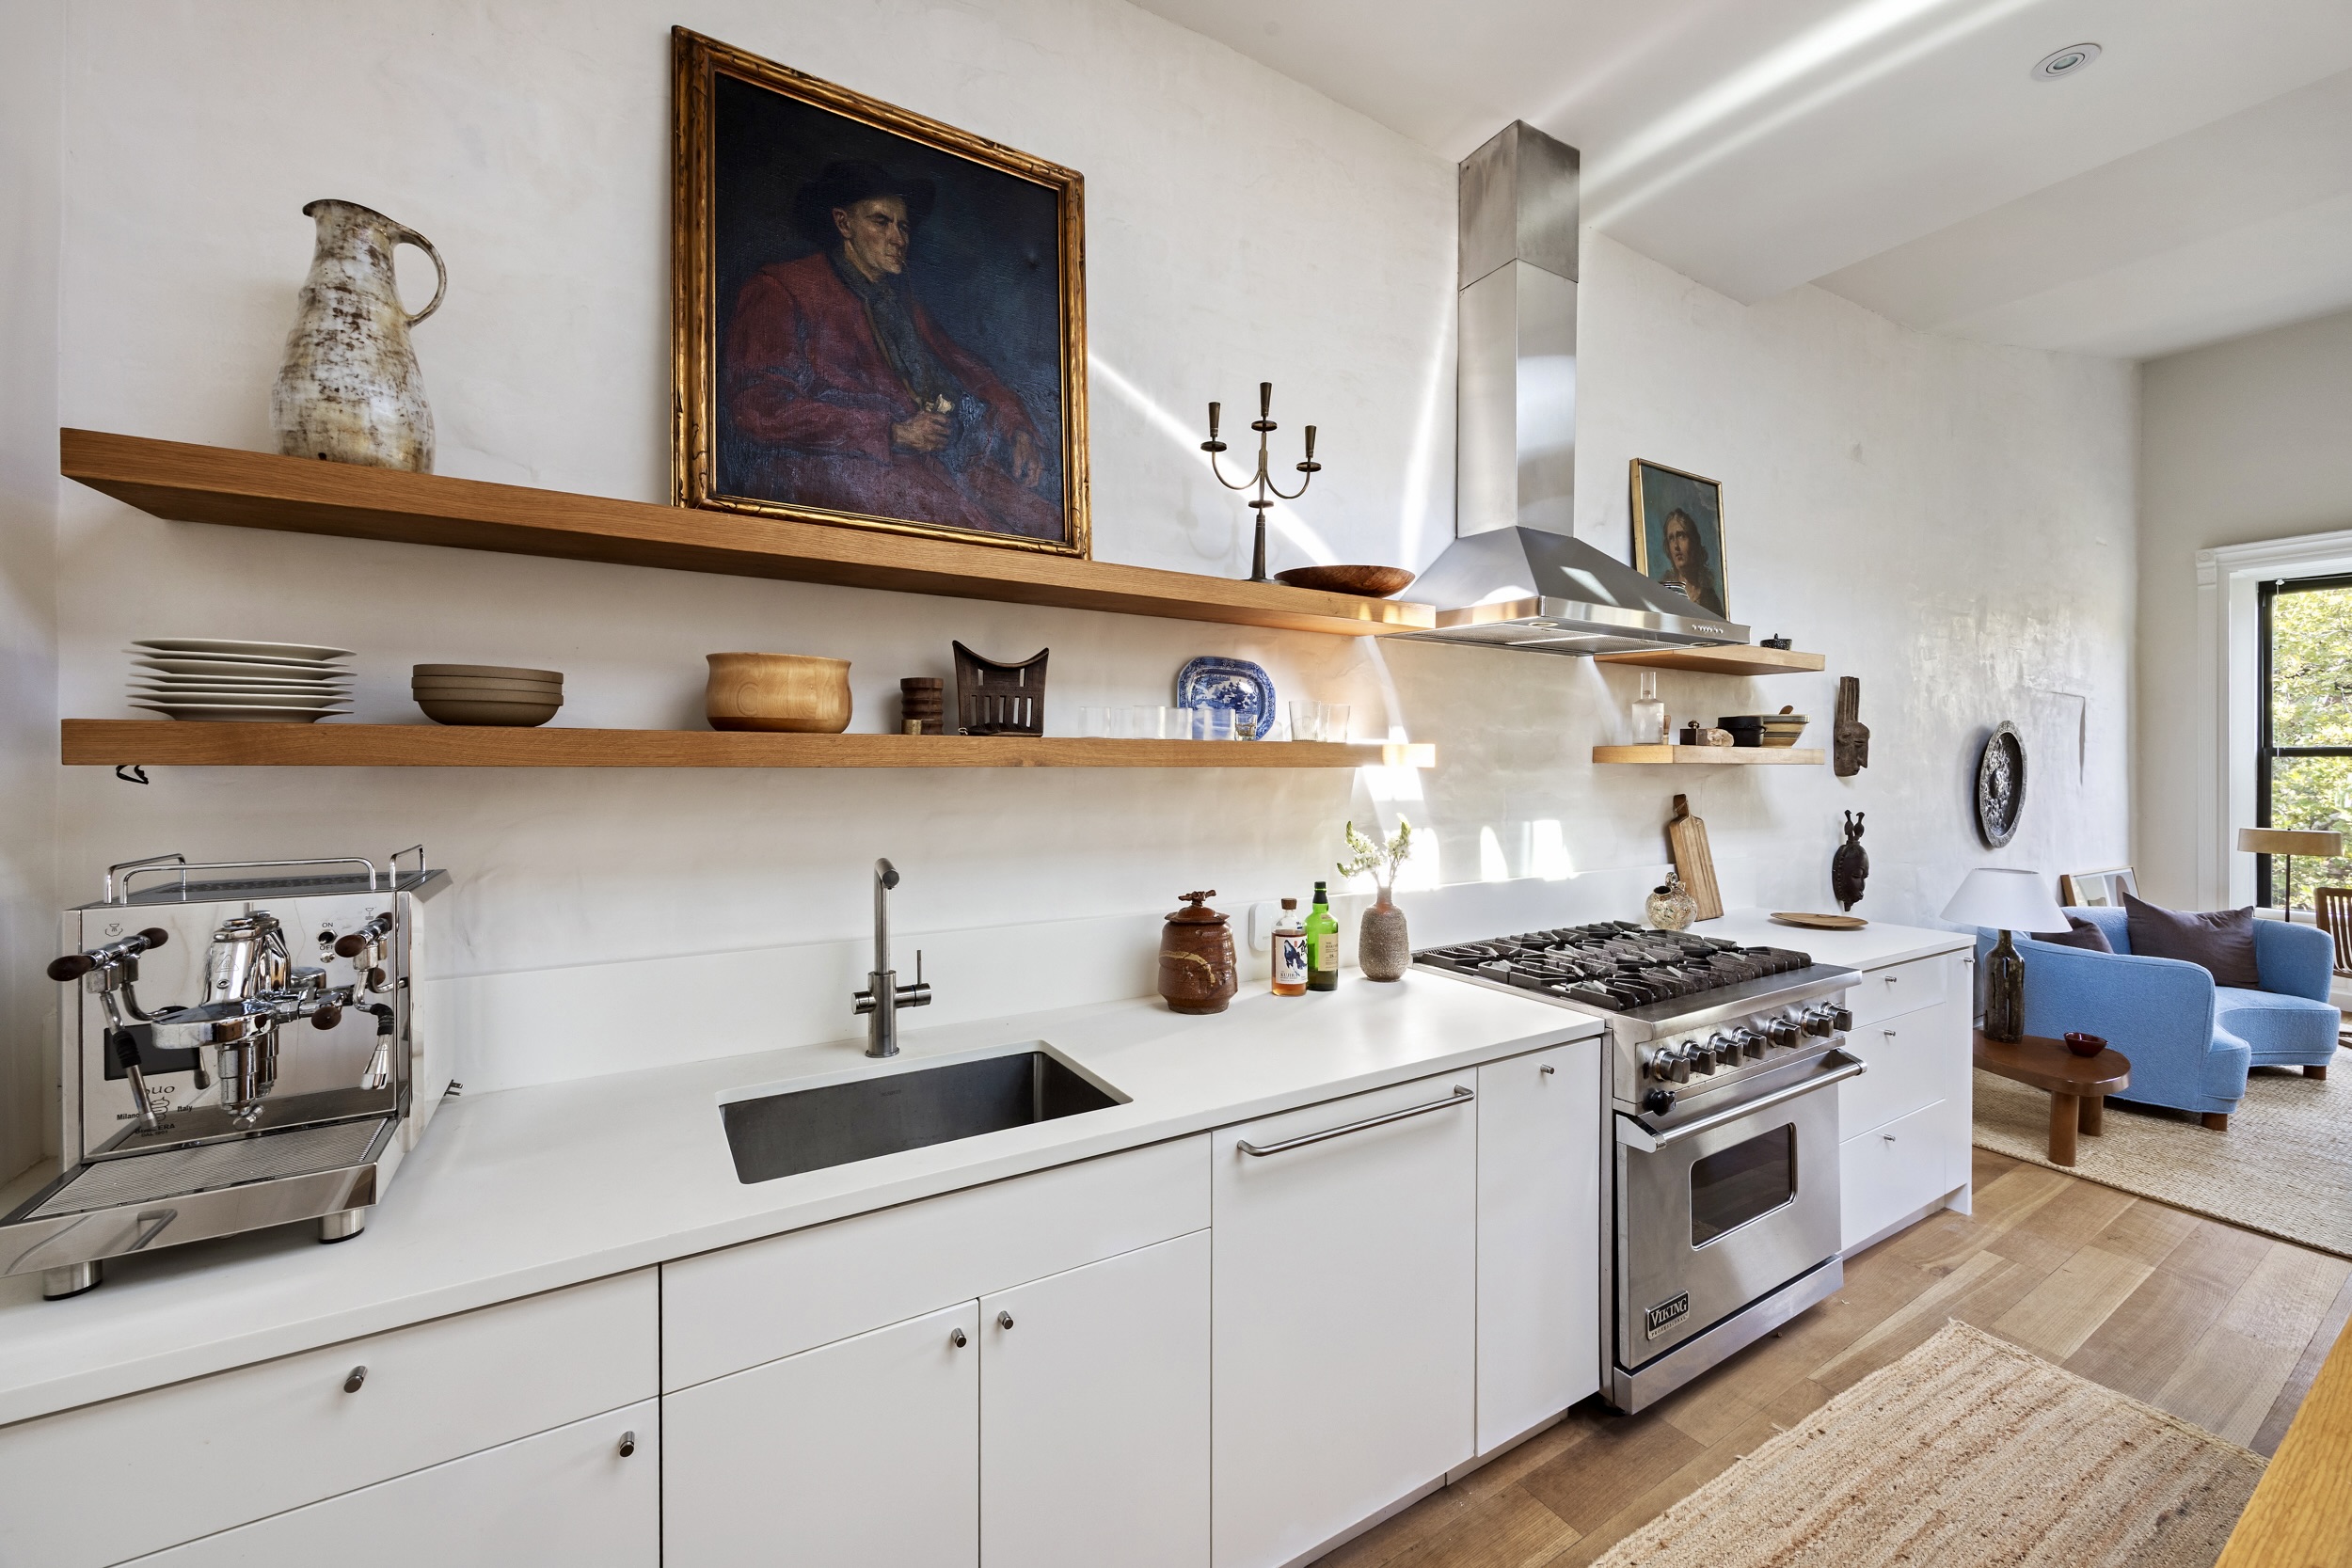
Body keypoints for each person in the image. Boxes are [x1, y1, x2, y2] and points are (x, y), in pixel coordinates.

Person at [720, 160, 1062, 540]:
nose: (899, 239)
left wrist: (1017, 426)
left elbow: (964, 365)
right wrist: (892, 433)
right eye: (881, 222)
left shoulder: (897, 297)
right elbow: (758, 409)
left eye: (903, 226)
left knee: (1045, 525)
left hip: (929, 463)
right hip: (840, 475)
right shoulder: (780, 289)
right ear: (843, 224)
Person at [1656, 507, 1725, 617]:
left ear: (1693, 542)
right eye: (1671, 538)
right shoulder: (1663, 593)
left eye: (1681, 536)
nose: (1676, 546)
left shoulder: (1710, 599)